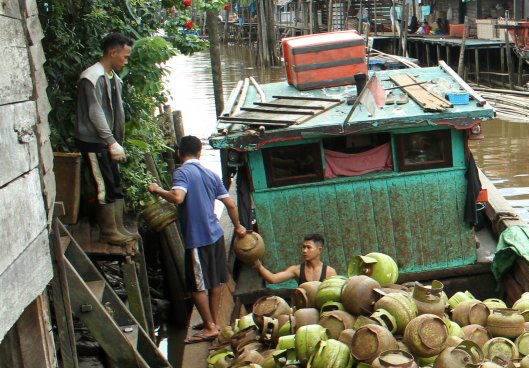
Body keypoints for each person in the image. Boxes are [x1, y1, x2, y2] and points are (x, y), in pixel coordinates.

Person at [148, 136, 247, 343]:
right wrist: (238, 227)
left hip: (197, 239)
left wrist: (158, 190)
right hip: (216, 235)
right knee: (215, 281)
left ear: (179, 153)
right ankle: (213, 322)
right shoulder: (211, 174)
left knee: (196, 287)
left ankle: (211, 326)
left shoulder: (182, 172)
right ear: (200, 152)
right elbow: (230, 205)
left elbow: (177, 198)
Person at [76, 32, 136, 245]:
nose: (126, 60)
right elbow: (95, 112)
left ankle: (118, 227)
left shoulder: (114, 78)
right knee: (103, 185)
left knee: (114, 183)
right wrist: (111, 141)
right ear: (113, 52)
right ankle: (108, 231)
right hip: (94, 142)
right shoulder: (91, 77)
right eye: (125, 56)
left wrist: (115, 142)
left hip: (109, 142)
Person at [254, 234, 337, 284]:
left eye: (308, 247)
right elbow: (273, 279)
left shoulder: (329, 272)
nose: (304, 251)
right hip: (304, 310)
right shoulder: (296, 270)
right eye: (303, 247)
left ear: (319, 250)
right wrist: (258, 265)